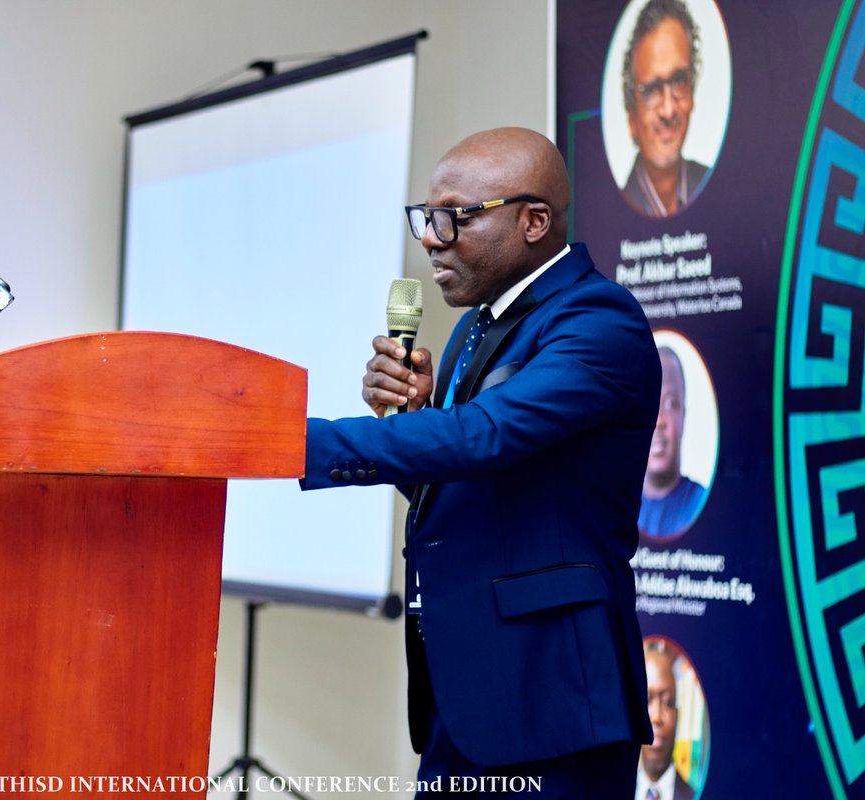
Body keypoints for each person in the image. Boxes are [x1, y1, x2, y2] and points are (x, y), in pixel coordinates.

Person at [302, 127, 659, 798]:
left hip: (551, 702)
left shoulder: (598, 321)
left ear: (533, 221)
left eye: (453, 218)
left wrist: (296, 441)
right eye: (425, 218)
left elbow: (486, 435)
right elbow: (460, 486)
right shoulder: (480, 325)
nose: (431, 238)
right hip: (467, 693)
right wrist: (413, 418)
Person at [621, 0, 708, 217]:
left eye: (679, 81)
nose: (668, 110)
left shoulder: (718, 188)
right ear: (632, 115)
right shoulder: (610, 216)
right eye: (651, 90)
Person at [639, 346, 706, 537]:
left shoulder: (700, 503)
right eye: (649, 402)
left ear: (683, 416)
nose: (658, 420)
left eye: (670, 403)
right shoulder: (613, 506)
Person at [635, 641, 697, 800]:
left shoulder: (693, 796)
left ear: (677, 716)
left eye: (668, 702)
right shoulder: (610, 792)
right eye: (647, 700)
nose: (656, 717)